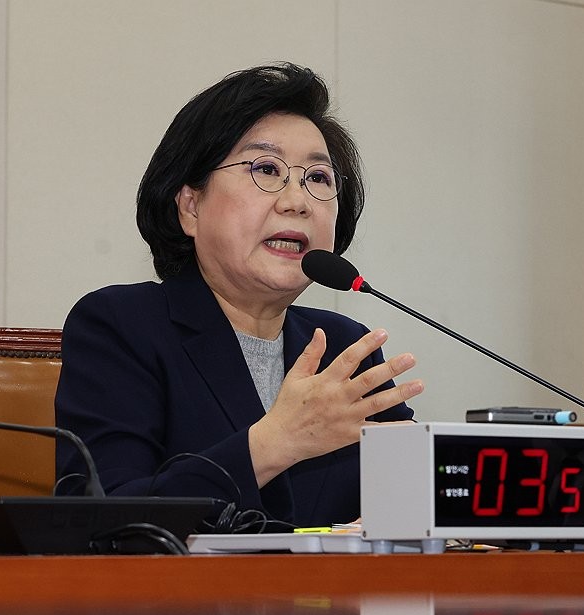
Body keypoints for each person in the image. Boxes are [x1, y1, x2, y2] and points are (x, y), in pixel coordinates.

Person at [55, 64, 423, 527]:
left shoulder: (346, 348)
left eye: (318, 178)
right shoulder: (121, 325)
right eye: (266, 169)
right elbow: (100, 519)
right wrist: (275, 442)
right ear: (191, 207)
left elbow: (417, 507)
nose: (297, 202)